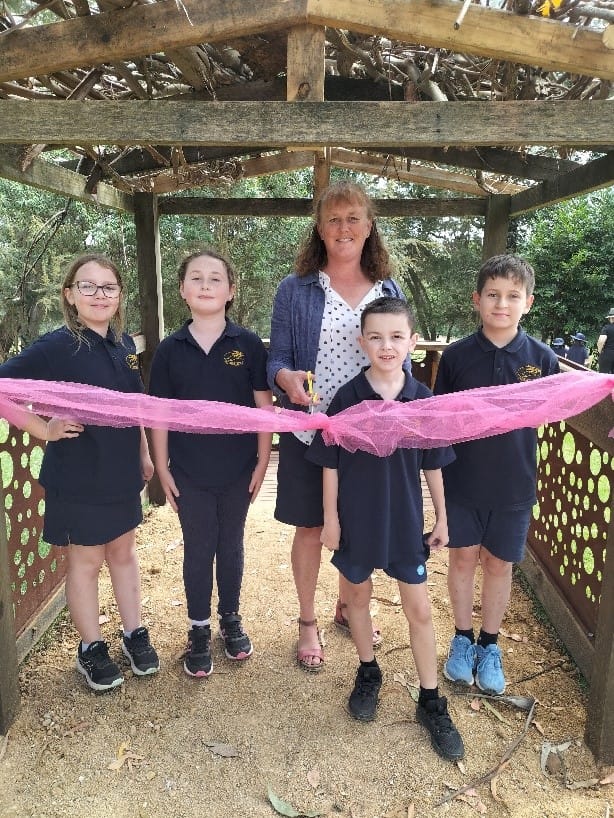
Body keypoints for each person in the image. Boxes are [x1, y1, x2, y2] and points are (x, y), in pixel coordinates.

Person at [307, 297, 464, 760]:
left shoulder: (422, 400)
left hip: (404, 524)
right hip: (356, 521)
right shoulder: (348, 398)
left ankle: (431, 698)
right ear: (362, 342)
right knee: (357, 598)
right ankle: (368, 669)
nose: (386, 345)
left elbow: (434, 462)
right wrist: (331, 520)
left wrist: (442, 515)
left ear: (413, 342)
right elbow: (330, 464)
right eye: (375, 336)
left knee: (419, 609)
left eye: (396, 336)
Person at [0, 254, 159, 691]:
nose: (99, 295)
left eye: (108, 287)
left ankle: (133, 634)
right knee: (86, 563)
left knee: (124, 555)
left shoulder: (124, 345)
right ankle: (91, 647)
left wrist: (143, 453)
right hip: (77, 477)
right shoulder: (55, 347)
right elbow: (2, 387)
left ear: (119, 295)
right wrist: (42, 429)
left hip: (122, 473)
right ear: (69, 295)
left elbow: (135, 408)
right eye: (87, 286)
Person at [267, 180, 405, 672]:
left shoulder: (389, 288)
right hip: (310, 430)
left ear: (369, 227)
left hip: (370, 435)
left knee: (358, 525)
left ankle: (348, 607)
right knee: (310, 526)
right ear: (319, 229)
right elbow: (277, 359)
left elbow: (400, 354)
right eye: (333, 219)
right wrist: (286, 379)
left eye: (353, 218)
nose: (343, 228)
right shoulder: (295, 288)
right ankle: (308, 621)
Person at [434, 254, 559, 696]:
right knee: (464, 559)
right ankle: (462, 638)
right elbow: (438, 417)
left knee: (499, 564)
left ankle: (490, 644)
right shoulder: (456, 357)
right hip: (462, 482)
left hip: (514, 485)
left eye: (512, 296)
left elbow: (557, 408)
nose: (501, 304)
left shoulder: (542, 359)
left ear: (528, 302)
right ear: (477, 300)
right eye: (492, 295)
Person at [149, 250, 272, 678]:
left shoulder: (249, 344)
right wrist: (162, 467)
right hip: (187, 472)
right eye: (196, 278)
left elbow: (263, 407)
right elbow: (160, 412)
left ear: (230, 291)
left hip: (238, 469)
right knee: (199, 547)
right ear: (182, 289)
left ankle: (230, 620)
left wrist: (262, 460)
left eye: (215, 278)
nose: (205, 284)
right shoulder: (169, 349)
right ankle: (198, 628)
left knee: (231, 544)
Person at [597, 308, 614, 373]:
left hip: (607, 355)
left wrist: (599, 351)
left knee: (603, 377)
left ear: (611, 318)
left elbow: (601, 341)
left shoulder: (607, 328)